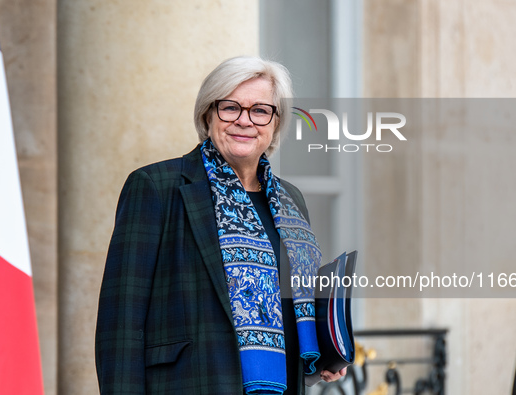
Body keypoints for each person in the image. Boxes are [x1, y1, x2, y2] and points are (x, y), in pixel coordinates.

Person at [95, 56, 346, 394]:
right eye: (230, 108)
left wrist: (325, 347)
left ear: (275, 123)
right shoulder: (156, 187)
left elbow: (293, 301)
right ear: (208, 114)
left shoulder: (291, 200)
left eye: (260, 110)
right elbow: (120, 324)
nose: (245, 121)